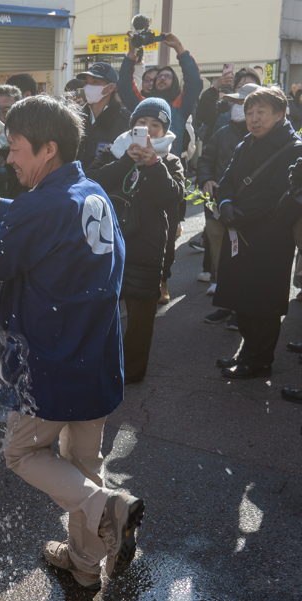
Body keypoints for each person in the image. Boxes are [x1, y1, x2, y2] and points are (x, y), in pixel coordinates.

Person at [0, 95, 144, 590]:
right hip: (95, 354)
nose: (9, 158)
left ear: (47, 148)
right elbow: (36, 220)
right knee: (83, 463)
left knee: (24, 456)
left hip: (51, 358)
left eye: (15, 148)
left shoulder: (44, 205)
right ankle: (84, 566)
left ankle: (108, 507)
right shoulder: (88, 190)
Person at [87, 98, 185, 383]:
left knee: (141, 319)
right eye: (142, 123)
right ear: (132, 127)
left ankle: (131, 373)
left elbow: (174, 197)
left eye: (156, 125)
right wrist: (125, 161)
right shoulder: (111, 152)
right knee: (102, 312)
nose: (148, 129)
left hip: (148, 247)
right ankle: (99, 366)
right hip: (107, 244)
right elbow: (92, 183)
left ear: (164, 131)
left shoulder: (169, 161)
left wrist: (153, 163)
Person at [212, 87, 302, 379]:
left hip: (270, 236)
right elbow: (226, 179)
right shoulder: (246, 143)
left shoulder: (293, 147)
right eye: (249, 113)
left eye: (261, 112)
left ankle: (259, 360)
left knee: (262, 301)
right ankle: (248, 352)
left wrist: (239, 213)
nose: (253, 119)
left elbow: (278, 193)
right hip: (239, 230)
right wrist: (224, 203)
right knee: (242, 296)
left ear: (279, 113)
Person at [197, 81, 257, 320]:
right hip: (217, 208)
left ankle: (242, 311)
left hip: (249, 212)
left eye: (244, 104)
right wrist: (207, 180)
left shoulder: (263, 138)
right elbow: (205, 160)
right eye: (235, 103)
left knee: (247, 260)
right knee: (220, 256)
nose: (238, 107)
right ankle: (226, 304)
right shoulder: (221, 133)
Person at [118, 33, 203, 157]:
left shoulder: (180, 107)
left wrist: (179, 49)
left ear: (174, 82)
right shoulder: (142, 105)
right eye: (159, 76)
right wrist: (131, 52)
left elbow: (194, 83)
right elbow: (125, 87)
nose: (162, 79)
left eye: (167, 76)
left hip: (170, 168)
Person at [75, 62, 131, 172]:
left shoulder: (126, 122)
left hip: (106, 187)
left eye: (95, 82)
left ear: (111, 88)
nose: (89, 87)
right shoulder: (75, 117)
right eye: (86, 82)